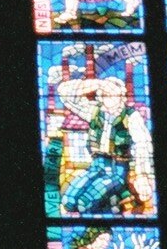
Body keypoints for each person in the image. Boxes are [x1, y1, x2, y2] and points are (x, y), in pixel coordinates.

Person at [53, 66, 154, 215]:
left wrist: (142, 175)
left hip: (117, 170)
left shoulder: (131, 117)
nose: (109, 98)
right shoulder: (94, 111)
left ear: (121, 96)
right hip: (95, 166)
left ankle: (107, 216)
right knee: (68, 200)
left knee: (85, 202)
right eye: (105, 95)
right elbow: (64, 93)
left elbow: (142, 143)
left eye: (114, 94)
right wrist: (98, 83)